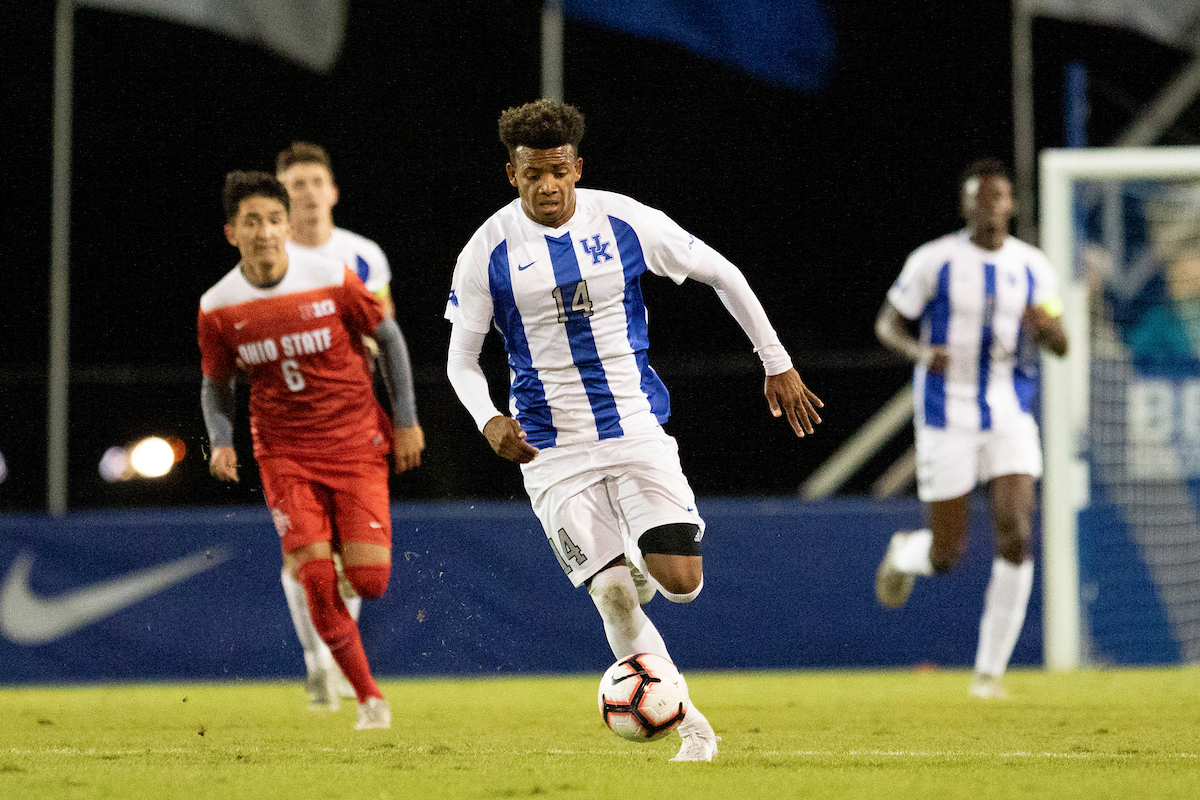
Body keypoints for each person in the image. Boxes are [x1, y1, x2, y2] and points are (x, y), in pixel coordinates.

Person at [444, 100, 823, 761]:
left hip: (635, 430)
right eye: (533, 173)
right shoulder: (487, 250)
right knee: (615, 595)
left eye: (558, 171)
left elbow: (722, 273)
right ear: (513, 174)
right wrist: (489, 419)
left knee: (680, 581)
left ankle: (645, 569)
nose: (547, 186)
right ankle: (693, 728)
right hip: (550, 449)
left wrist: (778, 362)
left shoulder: (623, 219)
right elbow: (460, 359)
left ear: (577, 168)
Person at [198, 171, 424, 730]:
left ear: (286, 225)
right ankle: (368, 698)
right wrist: (222, 441)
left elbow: (389, 336)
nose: (266, 232)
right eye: (252, 222)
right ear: (232, 233)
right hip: (283, 454)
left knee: (370, 581)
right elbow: (216, 383)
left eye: (274, 220)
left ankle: (330, 562)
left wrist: (407, 421)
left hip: (354, 445)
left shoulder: (329, 275)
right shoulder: (218, 305)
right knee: (317, 582)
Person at [873, 158, 1069, 699]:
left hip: (1009, 411)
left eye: (998, 196)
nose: (990, 205)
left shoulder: (1034, 267)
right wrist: (918, 351)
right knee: (947, 554)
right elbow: (887, 323)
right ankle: (906, 552)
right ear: (965, 206)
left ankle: (989, 675)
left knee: (1018, 533)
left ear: (1011, 204)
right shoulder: (934, 260)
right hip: (945, 415)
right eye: (979, 197)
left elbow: (1062, 342)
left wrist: (1049, 327)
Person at [274, 142, 402, 710]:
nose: (305, 192)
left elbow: (385, 328)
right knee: (303, 553)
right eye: (294, 183)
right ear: (281, 196)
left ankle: (328, 658)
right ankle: (317, 662)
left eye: (314, 181)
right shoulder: (266, 262)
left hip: (351, 421)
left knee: (355, 558)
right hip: (286, 425)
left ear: (332, 191)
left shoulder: (362, 255)